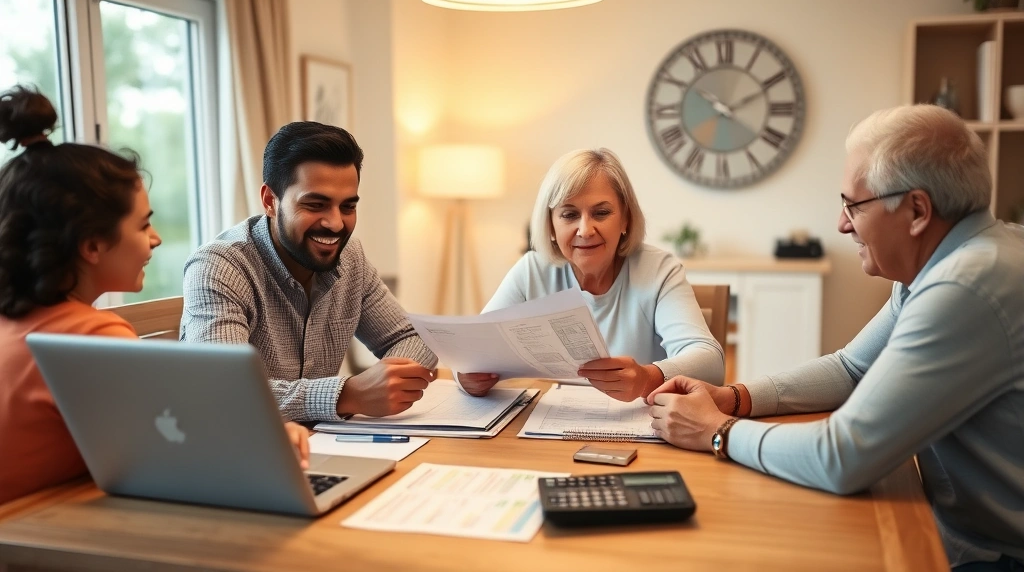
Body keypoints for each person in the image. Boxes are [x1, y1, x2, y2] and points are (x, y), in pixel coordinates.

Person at [647, 105, 1023, 571]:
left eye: (854, 205)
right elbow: (851, 368)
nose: (842, 224)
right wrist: (733, 398)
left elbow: (842, 458)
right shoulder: (952, 263)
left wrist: (716, 433)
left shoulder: (966, 286)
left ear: (917, 210)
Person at [0, 87, 309, 505]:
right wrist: (261, 439)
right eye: (143, 226)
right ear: (92, 244)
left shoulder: (18, 323)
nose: (157, 239)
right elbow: (169, 458)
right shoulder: (91, 337)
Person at [180, 121, 436, 422]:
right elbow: (222, 391)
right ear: (269, 201)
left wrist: (386, 383)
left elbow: (412, 338)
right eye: (316, 204)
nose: (336, 223)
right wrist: (349, 395)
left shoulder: (350, 258)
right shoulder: (219, 266)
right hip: (240, 453)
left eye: (347, 207)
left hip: (324, 444)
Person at [459, 148, 724, 400]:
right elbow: (474, 354)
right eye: (569, 214)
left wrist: (647, 377)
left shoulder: (659, 271)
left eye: (601, 213)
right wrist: (468, 380)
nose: (585, 230)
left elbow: (711, 362)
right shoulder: (532, 270)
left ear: (625, 219)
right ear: (550, 225)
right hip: (547, 428)